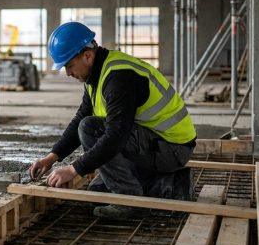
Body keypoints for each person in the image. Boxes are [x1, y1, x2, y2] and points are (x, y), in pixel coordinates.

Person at [28, 22, 197, 219]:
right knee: (97, 187)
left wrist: (74, 169)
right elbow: (80, 117)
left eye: (69, 65)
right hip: (155, 143)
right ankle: (169, 183)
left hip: (172, 148)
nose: (68, 73)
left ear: (87, 56)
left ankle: (128, 200)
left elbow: (116, 136)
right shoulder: (96, 74)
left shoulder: (118, 77)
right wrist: (53, 157)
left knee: (90, 128)